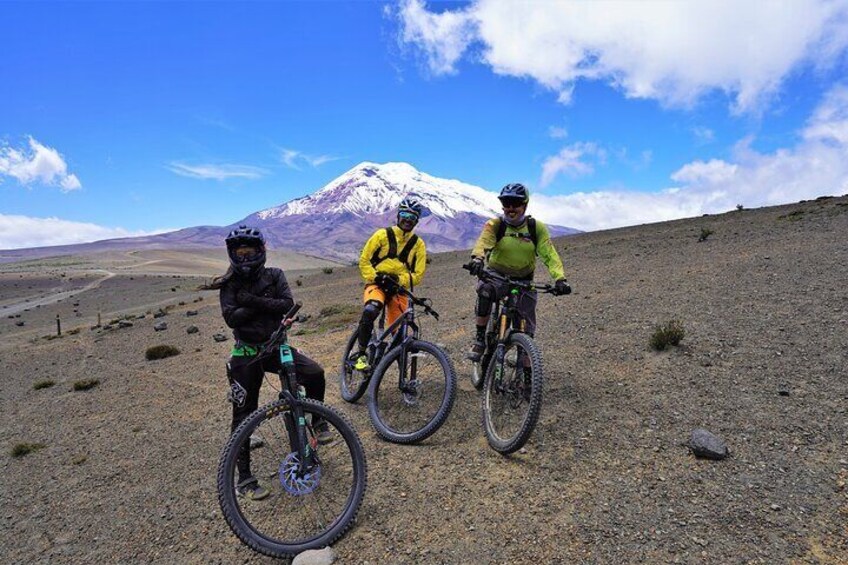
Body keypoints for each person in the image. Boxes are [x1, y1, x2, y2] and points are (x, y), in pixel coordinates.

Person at [207, 225, 331, 501]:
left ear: (261, 251)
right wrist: (265, 303)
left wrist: (249, 301)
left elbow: (286, 304)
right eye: (240, 253)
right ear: (231, 254)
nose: (245, 258)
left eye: (250, 252)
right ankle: (244, 478)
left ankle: (319, 420)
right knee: (243, 415)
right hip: (246, 352)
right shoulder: (229, 283)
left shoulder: (275, 275)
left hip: (276, 347)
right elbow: (231, 319)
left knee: (315, 373)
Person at [466, 183, 571, 361]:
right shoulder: (495, 225)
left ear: (525, 205)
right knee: (485, 290)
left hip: (524, 280)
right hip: (496, 276)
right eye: (506, 203)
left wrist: (560, 278)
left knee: (527, 329)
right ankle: (480, 338)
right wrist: (477, 259)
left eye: (515, 203)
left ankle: (528, 372)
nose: (511, 208)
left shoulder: (535, 228)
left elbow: (549, 254)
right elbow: (483, 242)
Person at [351, 195, 428, 371]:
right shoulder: (382, 235)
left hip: (398, 289)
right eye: (405, 215)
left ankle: (403, 374)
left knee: (400, 333)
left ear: (416, 221)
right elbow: (364, 260)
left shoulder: (418, 244)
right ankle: (361, 354)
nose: (408, 220)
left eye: (412, 217)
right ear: (398, 215)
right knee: (371, 310)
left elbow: (418, 274)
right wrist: (376, 277)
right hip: (376, 284)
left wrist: (399, 280)